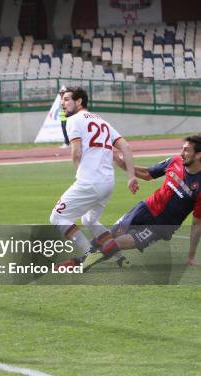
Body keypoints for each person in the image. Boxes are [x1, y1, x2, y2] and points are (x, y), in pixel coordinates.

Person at [49, 87, 139, 271]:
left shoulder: (74, 120)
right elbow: (126, 147)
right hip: (107, 183)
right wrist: (131, 177)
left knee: (57, 217)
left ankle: (89, 253)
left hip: (89, 182)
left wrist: (80, 174)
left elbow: (76, 153)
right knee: (89, 220)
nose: (63, 104)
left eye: (66, 99)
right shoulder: (102, 121)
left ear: (79, 101)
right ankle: (120, 258)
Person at [90, 134, 201, 268]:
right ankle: (83, 256)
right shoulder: (174, 161)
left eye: (186, 150)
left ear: (198, 155)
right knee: (112, 233)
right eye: (182, 149)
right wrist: (120, 162)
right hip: (145, 208)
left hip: (162, 225)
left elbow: (196, 224)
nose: (181, 153)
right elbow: (148, 174)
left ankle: (87, 261)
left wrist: (191, 256)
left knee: (121, 242)